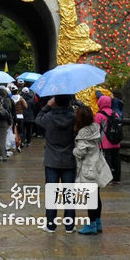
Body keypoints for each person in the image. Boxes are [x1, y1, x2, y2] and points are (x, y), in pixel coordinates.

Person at [35, 95, 76, 233]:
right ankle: (69, 225)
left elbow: (37, 119)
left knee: (52, 193)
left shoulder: (48, 117)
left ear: (55, 102)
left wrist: (48, 105)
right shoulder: (74, 118)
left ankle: (51, 224)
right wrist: (75, 103)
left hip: (51, 160)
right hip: (69, 160)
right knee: (69, 194)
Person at [73, 105, 112, 235]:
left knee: (90, 198)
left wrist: (73, 150)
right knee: (97, 196)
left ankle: (91, 224)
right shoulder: (96, 127)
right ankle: (98, 221)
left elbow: (80, 152)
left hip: (88, 169)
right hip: (97, 165)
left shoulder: (83, 133)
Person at [94, 95, 121, 184]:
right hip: (116, 142)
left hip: (104, 142)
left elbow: (96, 128)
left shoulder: (99, 115)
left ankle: (108, 178)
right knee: (116, 160)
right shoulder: (115, 113)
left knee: (106, 160)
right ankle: (116, 178)